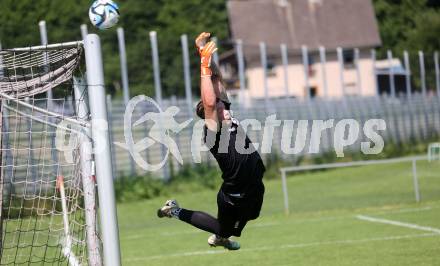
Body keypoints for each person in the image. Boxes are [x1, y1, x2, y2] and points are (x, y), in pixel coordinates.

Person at [157, 32, 265, 250]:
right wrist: (203, 68)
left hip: (254, 187)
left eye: (221, 104)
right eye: (217, 106)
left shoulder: (228, 116)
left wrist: (203, 52)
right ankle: (174, 210)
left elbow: (216, 80)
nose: (221, 106)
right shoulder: (214, 133)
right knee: (223, 230)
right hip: (234, 194)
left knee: (250, 217)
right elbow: (208, 102)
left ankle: (222, 236)